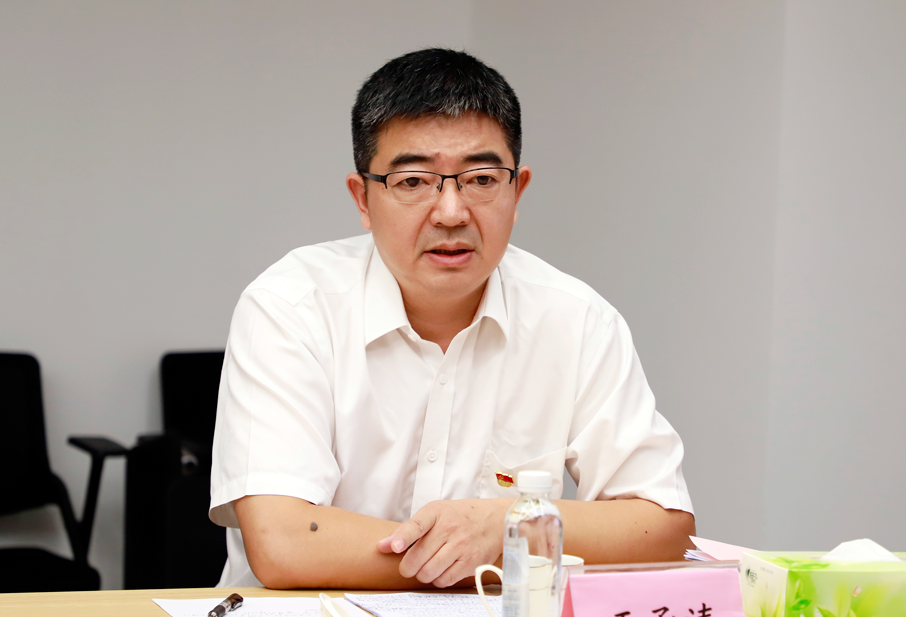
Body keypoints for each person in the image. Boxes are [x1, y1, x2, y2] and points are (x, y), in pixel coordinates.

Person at [209, 48, 695, 589]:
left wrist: (504, 527)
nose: (450, 212)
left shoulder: (577, 320)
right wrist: (497, 549)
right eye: (413, 181)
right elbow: (285, 543)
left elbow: (663, 526)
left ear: (517, 191)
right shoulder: (290, 307)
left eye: (481, 179)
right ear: (363, 199)